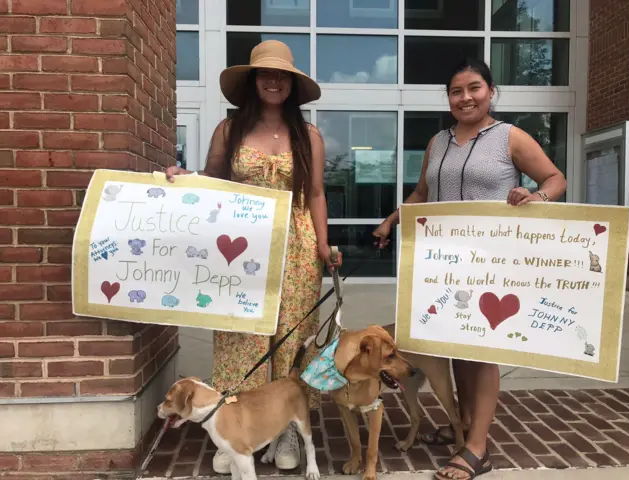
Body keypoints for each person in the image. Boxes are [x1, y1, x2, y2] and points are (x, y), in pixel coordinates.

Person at [372, 58, 566, 480]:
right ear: (449, 98)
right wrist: (392, 219)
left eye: (474, 88)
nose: (465, 98)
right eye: (456, 91)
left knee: (483, 350)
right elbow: (424, 191)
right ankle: (462, 426)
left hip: (492, 262)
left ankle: (478, 448)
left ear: (490, 91)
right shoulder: (438, 142)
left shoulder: (509, 137)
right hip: (443, 261)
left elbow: (554, 178)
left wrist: (537, 197)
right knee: (455, 345)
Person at [165, 40, 342, 474]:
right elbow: (212, 178)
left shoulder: (309, 135)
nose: (274, 81)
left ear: (293, 85)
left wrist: (323, 244)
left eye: (282, 75)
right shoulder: (230, 131)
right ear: (252, 81)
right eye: (266, 74)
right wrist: (184, 179)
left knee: (290, 337)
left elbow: (315, 193)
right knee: (240, 336)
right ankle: (234, 426)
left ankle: (285, 428)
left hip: (296, 248)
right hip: (240, 242)